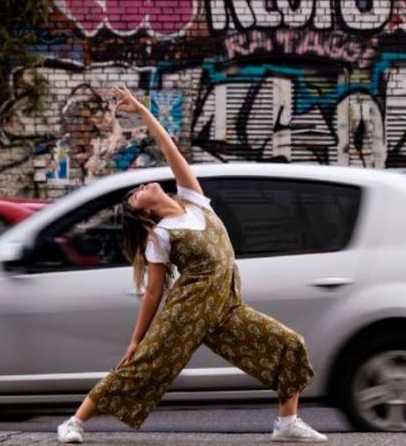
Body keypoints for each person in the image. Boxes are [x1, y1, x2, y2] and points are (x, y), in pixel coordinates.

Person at [56, 86, 326, 444]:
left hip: (226, 309)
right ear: (145, 211)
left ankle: (287, 422)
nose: (143, 186)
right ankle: (74, 422)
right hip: (185, 314)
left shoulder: (194, 201)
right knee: (143, 369)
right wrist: (138, 338)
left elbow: (170, 149)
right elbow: (154, 290)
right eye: (137, 194)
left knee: (289, 344)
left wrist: (141, 111)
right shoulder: (161, 235)